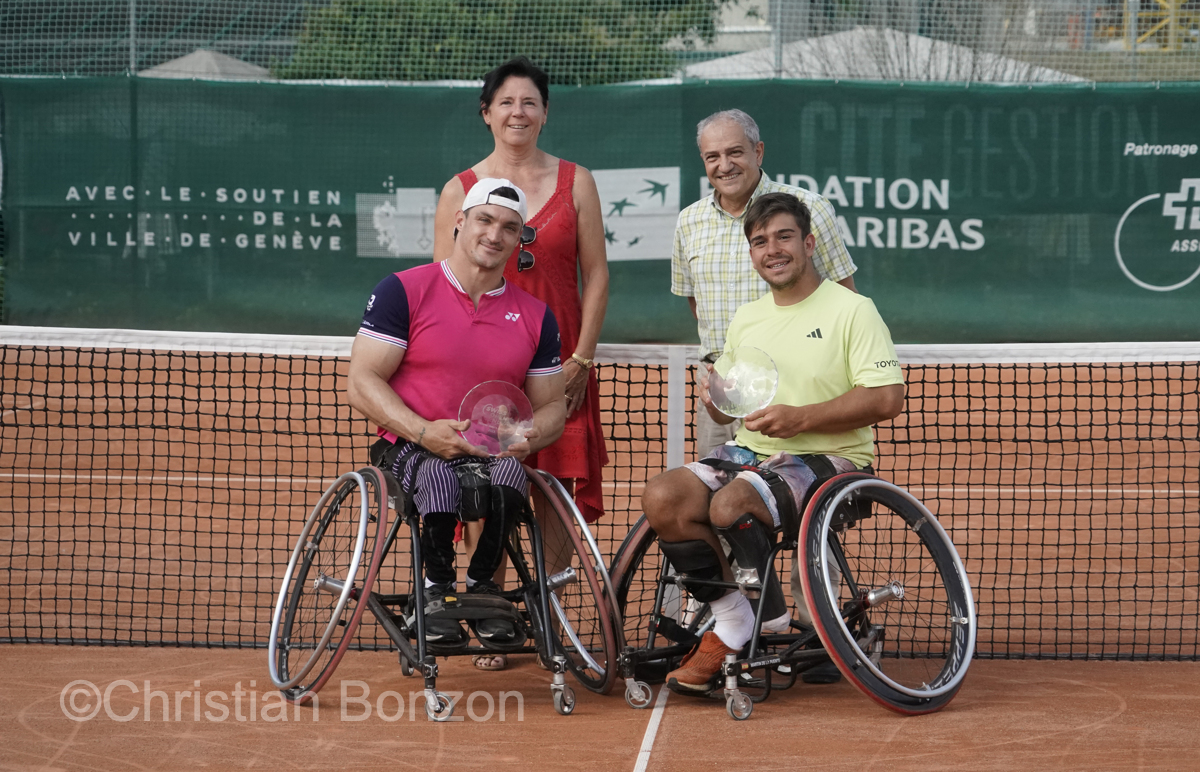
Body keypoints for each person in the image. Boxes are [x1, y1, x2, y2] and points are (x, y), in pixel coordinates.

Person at [643, 192, 904, 695]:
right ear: (752, 253)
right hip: (750, 452)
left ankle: (765, 615)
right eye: (760, 241)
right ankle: (736, 617)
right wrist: (719, 398)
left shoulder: (854, 309)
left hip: (832, 459)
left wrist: (802, 416)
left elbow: (887, 397)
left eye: (783, 237)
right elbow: (729, 410)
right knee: (663, 497)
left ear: (808, 243)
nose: (772, 249)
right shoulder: (747, 319)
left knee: (731, 501)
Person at [433, 56, 610, 670]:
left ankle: (550, 610)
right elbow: (443, 286)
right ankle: (493, 615)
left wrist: (581, 357)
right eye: (505, 102)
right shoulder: (459, 189)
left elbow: (597, 276)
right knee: (483, 488)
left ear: (544, 112)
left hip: (557, 371)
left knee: (555, 491)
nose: (518, 112)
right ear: (487, 113)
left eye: (529, 101)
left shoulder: (576, 181)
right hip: (483, 375)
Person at [348, 178, 566, 649]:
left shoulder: (536, 315)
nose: (494, 234)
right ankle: (434, 591)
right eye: (484, 220)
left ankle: (484, 589)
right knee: (440, 477)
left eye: (509, 227)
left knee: (510, 475)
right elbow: (362, 382)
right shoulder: (402, 291)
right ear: (460, 221)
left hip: (489, 451)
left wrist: (529, 433)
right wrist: (425, 432)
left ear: (518, 239)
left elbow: (553, 405)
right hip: (409, 447)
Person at [672, 108, 858, 459]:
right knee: (719, 503)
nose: (724, 165)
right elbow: (697, 302)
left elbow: (844, 295)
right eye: (713, 157)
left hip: (793, 389)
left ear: (758, 152)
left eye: (735, 153)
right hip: (720, 390)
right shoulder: (688, 222)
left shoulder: (810, 209)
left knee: (795, 500)